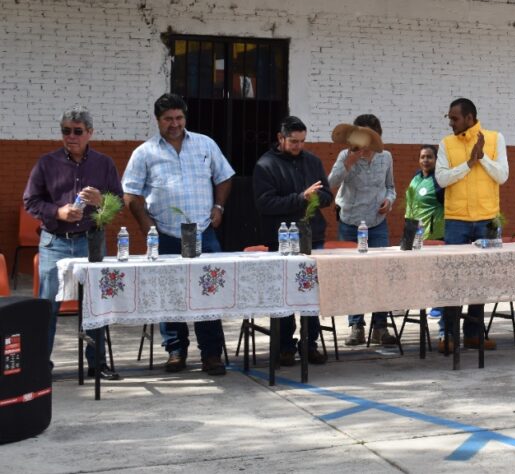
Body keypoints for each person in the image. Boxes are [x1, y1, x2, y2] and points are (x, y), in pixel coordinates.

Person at [123, 93, 234, 375]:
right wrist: (146, 226)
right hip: (166, 234)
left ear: (185, 117)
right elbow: (131, 193)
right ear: (157, 120)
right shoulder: (144, 152)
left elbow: (224, 176)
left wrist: (219, 206)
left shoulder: (205, 144)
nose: (174, 124)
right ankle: (175, 350)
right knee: (170, 293)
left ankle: (212, 354)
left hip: (202, 233)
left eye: (179, 118)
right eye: (168, 119)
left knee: (209, 291)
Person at [23, 106, 123, 380]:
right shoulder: (46, 163)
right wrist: (58, 212)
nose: (71, 136)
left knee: (95, 305)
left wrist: (101, 201)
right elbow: (30, 201)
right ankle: (39, 366)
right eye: (66, 131)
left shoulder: (104, 164)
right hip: (55, 242)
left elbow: (118, 201)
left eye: (77, 131)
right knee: (47, 307)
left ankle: (97, 363)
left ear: (89, 133)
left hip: (90, 242)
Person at [252, 116, 332, 366]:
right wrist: (301, 198)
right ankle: (285, 346)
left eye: (302, 141)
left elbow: (328, 195)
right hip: (282, 239)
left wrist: (317, 197)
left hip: (312, 236)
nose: (299, 146)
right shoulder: (265, 165)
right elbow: (265, 203)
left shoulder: (313, 161)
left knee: (312, 296)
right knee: (285, 295)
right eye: (294, 141)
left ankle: (310, 344)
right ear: (280, 138)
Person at [434, 98, 509, 352]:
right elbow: (442, 179)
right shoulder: (446, 143)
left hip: (487, 219)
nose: (451, 123)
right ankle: (448, 333)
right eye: (449, 118)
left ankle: (474, 333)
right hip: (456, 220)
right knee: (451, 278)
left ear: (469, 117)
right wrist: (468, 164)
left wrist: (481, 157)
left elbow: (502, 176)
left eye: (455, 118)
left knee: (481, 279)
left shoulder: (495, 138)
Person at [328, 114, 397, 346]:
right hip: (350, 223)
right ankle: (356, 325)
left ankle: (380, 326)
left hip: (377, 223)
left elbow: (390, 187)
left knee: (381, 274)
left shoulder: (385, 157)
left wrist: (389, 201)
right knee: (354, 274)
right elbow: (330, 183)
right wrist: (349, 162)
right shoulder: (345, 155)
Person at [404, 145, 445, 242]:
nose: (425, 160)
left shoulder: (439, 180)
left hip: (432, 237)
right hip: (412, 233)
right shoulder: (416, 176)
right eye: (422, 157)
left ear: (436, 159)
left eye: (429, 157)